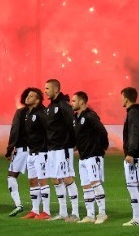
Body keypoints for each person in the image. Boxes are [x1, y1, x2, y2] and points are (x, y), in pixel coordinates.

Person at [44, 78, 79, 222]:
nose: (45, 91)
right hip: (52, 149)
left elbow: (73, 124)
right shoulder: (50, 107)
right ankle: (63, 212)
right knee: (54, 178)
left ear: (56, 89)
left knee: (66, 177)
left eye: (47, 88)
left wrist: (75, 143)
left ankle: (75, 213)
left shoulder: (64, 105)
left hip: (63, 148)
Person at [71, 91, 109, 224]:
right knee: (86, 186)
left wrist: (103, 147)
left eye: (74, 101)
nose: (72, 103)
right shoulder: (76, 118)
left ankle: (102, 213)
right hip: (83, 157)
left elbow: (102, 131)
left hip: (93, 155)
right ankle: (90, 215)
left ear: (82, 102)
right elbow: (81, 136)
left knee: (95, 183)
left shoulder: (90, 116)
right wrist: (76, 146)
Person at [20, 87, 51, 220]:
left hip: (41, 153)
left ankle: (46, 211)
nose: (27, 97)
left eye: (31, 96)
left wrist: (47, 148)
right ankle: (35, 210)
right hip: (31, 153)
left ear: (37, 100)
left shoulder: (42, 113)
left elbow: (49, 131)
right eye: (28, 95)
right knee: (32, 181)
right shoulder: (28, 113)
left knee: (42, 181)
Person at [121, 87, 139, 226]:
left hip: (135, 156)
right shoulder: (136, 112)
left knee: (133, 187)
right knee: (138, 187)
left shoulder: (133, 113)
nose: (121, 100)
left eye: (122, 97)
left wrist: (130, 152)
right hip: (138, 156)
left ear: (126, 98)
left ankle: (137, 219)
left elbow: (133, 133)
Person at [6, 88, 31, 217]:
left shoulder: (21, 113)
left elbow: (14, 131)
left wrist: (9, 149)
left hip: (22, 150)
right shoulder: (44, 112)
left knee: (11, 176)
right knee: (38, 180)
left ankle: (18, 205)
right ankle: (41, 209)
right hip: (37, 151)